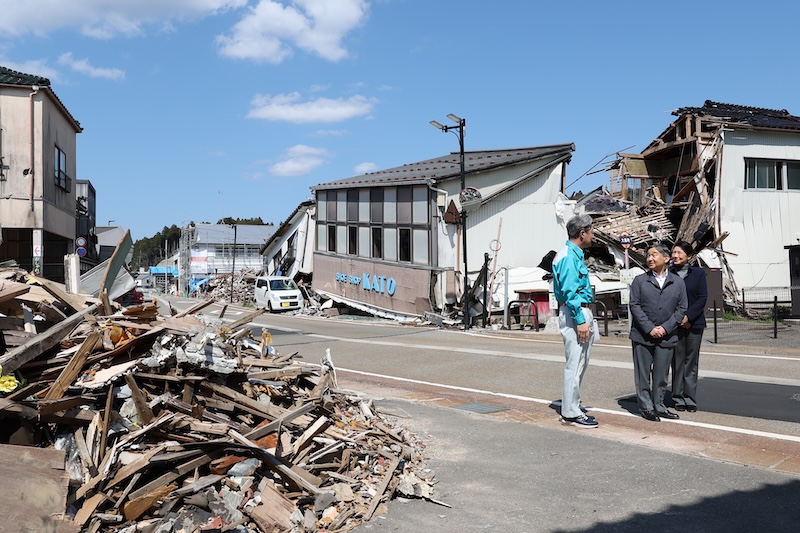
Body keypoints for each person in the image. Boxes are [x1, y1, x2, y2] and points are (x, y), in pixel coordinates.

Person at [629, 243, 687, 422]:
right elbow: (635, 305)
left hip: (667, 335)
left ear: (666, 258)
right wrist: (650, 328)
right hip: (642, 335)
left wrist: (665, 328)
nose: (650, 258)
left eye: (654, 255)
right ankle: (646, 407)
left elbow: (682, 308)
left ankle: (659, 405)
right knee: (643, 374)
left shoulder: (677, 282)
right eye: (648, 256)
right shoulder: (640, 280)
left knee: (661, 374)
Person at [552, 214, 599, 428]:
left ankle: (573, 405)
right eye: (591, 231)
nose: (592, 234)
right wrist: (581, 320)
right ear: (582, 233)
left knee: (581, 361)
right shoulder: (569, 257)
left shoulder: (573, 254)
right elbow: (570, 293)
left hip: (578, 311)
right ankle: (570, 412)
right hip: (575, 312)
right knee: (575, 362)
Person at [670, 240, 708, 412]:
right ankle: (677, 397)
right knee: (677, 361)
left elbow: (702, 297)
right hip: (674, 324)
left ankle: (690, 398)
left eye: (680, 253)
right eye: (674, 252)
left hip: (694, 323)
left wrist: (689, 316)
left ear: (689, 256)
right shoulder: (668, 273)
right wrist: (678, 318)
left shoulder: (698, 273)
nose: (676, 256)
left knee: (691, 362)